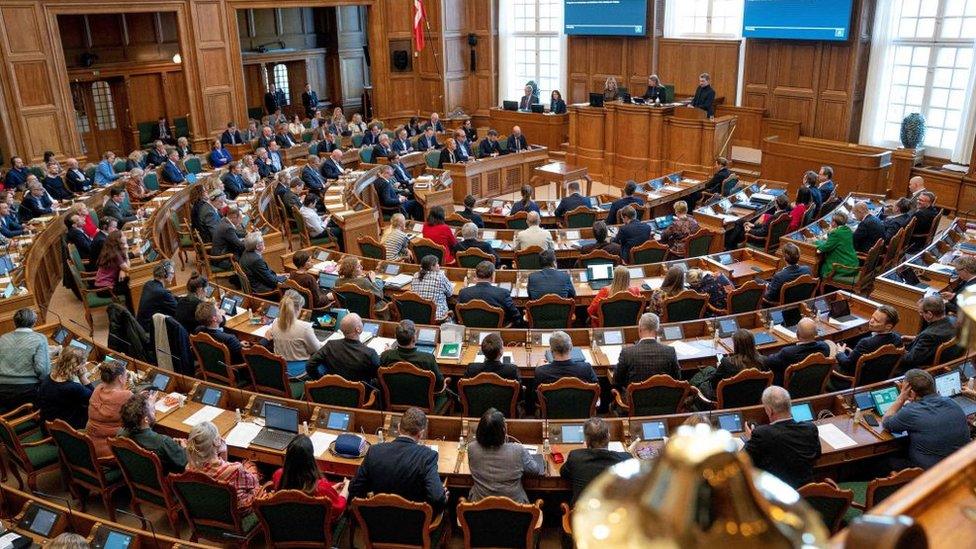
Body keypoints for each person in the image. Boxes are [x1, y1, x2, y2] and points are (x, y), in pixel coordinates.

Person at [349, 407, 447, 511]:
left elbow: (354, 488)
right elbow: (437, 499)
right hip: (414, 523)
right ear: (421, 434)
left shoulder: (374, 451)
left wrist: (372, 499)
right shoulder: (428, 456)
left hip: (377, 520)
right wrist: (442, 495)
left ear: (399, 427)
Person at [881, 369, 970, 470]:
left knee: (884, 462)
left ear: (911, 392)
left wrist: (901, 398)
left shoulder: (911, 411)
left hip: (931, 473)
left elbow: (886, 422)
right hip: (961, 466)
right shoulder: (952, 403)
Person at [743, 386, 821, 488]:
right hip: (807, 495)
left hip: (777, 498)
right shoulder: (810, 428)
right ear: (790, 406)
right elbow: (817, 455)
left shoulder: (762, 434)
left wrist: (750, 440)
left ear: (770, 410)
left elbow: (741, 461)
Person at [467, 408, 543, 503]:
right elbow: (535, 470)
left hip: (479, 510)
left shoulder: (471, 448)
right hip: (515, 511)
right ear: (503, 430)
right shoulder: (518, 450)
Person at [186, 420, 262, 508]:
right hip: (238, 512)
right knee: (250, 465)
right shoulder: (236, 469)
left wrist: (224, 451)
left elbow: (221, 470)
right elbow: (254, 482)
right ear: (216, 441)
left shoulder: (190, 468)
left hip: (210, 509)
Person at [273, 435, 348, 518]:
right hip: (316, 529)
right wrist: (346, 490)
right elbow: (338, 509)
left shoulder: (278, 475)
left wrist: (331, 490)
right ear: (310, 458)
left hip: (286, 525)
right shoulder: (321, 487)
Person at [119, 393, 187, 474]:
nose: (155, 411)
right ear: (146, 419)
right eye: (153, 409)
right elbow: (184, 464)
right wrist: (185, 448)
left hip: (138, 478)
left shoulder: (120, 435)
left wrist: (172, 447)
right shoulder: (163, 442)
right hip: (166, 483)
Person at [0, 308, 51, 412]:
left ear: (14, 323)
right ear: (34, 322)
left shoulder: (3, 338)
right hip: (27, 392)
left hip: (2, 391)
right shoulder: (40, 338)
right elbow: (43, 371)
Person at [305, 312, 380, 382]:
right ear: (358, 329)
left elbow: (310, 364)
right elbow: (378, 374)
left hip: (331, 390)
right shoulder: (370, 353)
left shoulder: (330, 345)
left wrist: (320, 381)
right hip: (359, 393)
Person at [693, 329, 766, 400]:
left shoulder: (727, 363)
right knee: (709, 370)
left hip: (728, 401)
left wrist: (720, 368)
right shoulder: (763, 361)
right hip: (752, 399)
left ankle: (690, 395)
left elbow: (713, 384)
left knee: (704, 378)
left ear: (736, 346)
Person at [613, 313, 679, 391]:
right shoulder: (670, 351)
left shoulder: (627, 353)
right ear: (657, 330)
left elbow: (616, 380)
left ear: (639, 329)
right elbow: (677, 378)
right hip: (664, 400)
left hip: (635, 401)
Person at [834, 305, 903, 375]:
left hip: (855, 380)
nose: (871, 321)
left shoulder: (866, 343)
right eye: (872, 317)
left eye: (876, 321)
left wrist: (840, 352)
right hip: (880, 379)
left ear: (888, 326)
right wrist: (855, 354)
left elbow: (846, 364)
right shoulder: (898, 339)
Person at [86, 360, 136, 458]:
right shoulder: (126, 395)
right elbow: (143, 413)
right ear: (120, 378)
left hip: (90, 446)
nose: (126, 378)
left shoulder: (98, 389)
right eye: (126, 376)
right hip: (111, 452)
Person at [268, 292, 322, 378]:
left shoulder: (275, 322)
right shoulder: (305, 327)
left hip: (281, 366)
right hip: (301, 370)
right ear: (297, 309)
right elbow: (316, 350)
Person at [379, 320, 445, 391]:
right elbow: (439, 385)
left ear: (396, 337)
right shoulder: (428, 358)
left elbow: (380, 380)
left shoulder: (386, 355)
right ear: (414, 338)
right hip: (422, 400)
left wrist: (389, 352)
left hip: (392, 400)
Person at [763, 318, 831, 385]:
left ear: (797, 334)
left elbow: (768, 361)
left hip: (789, 392)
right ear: (816, 333)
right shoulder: (825, 348)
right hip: (814, 387)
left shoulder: (788, 353)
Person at [38, 347, 92, 431]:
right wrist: (83, 378)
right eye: (84, 364)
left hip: (45, 425)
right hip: (63, 432)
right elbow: (95, 399)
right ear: (78, 366)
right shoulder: (74, 388)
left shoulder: (48, 377)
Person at [900, 296, 955, 370]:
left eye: (921, 313)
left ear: (930, 314)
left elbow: (911, 360)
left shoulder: (928, 335)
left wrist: (899, 352)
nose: (921, 315)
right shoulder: (954, 320)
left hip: (921, 368)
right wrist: (916, 338)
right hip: (950, 360)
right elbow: (937, 340)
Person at [459, 261, 522, 326]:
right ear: (493, 276)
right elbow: (516, 316)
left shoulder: (463, 293)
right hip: (496, 331)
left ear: (476, 275)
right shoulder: (503, 293)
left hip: (471, 329)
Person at [136, 261, 177, 332]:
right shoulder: (162, 293)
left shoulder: (148, 284)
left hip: (141, 327)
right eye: (172, 273)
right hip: (150, 331)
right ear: (165, 275)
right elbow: (177, 310)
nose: (173, 275)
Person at [94, 231, 132, 307]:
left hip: (101, 285)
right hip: (105, 289)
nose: (124, 236)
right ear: (117, 241)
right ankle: (131, 312)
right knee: (130, 288)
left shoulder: (111, 251)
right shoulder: (116, 254)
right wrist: (126, 253)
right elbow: (128, 269)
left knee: (127, 281)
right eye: (123, 236)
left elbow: (123, 267)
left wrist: (121, 269)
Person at [815, 211, 858, 278]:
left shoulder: (836, 233)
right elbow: (834, 242)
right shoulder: (847, 230)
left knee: (820, 267)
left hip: (843, 267)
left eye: (831, 221)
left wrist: (816, 242)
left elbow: (825, 247)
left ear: (834, 223)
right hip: (852, 264)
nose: (830, 223)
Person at [412, 255, 453, 322]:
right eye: (437, 264)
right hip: (437, 317)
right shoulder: (440, 276)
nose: (439, 265)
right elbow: (450, 293)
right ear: (432, 267)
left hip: (419, 315)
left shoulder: (416, 275)